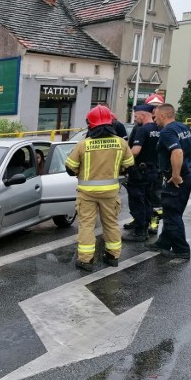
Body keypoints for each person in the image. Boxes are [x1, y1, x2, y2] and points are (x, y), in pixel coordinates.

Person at [65, 105, 135, 272]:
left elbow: (70, 169)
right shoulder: (121, 143)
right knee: (111, 224)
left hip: (87, 194)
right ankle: (112, 256)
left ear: (91, 125)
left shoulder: (83, 145)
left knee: (87, 226)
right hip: (110, 192)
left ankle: (86, 260)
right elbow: (129, 167)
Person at [145, 104, 191, 260]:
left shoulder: (167, 131)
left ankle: (181, 250)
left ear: (163, 116)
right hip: (189, 174)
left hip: (178, 179)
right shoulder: (183, 127)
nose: (154, 119)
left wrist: (176, 175)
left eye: (155, 116)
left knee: (172, 213)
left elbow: (177, 151)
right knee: (171, 211)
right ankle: (164, 242)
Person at [122, 103, 160, 242]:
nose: (135, 118)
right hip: (153, 170)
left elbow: (136, 151)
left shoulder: (142, 130)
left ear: (143, 115)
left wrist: (124, 162)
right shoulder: (158, 128)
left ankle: (140, 232)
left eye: (136, 115)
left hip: (140, 171)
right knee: (147, 200)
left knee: (137, 200)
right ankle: (145, 228)